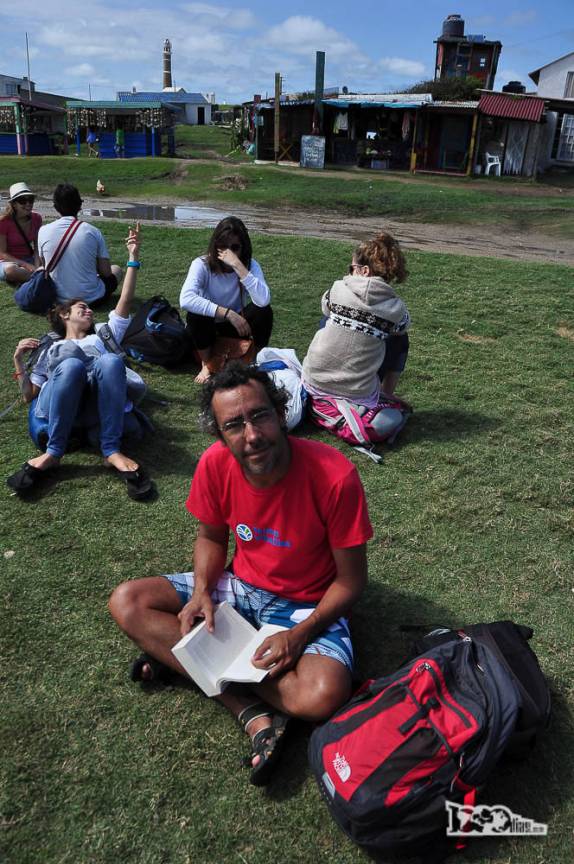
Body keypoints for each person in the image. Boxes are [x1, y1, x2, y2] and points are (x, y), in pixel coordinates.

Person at [109, 363, 372, 785]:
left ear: (280, 413)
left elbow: (351, 581)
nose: (251, 435)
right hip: (239, 586)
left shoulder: (334, 476)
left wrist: (300, 634)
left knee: (322, 695)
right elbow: (211, 537)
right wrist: (202, 591)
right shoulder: (215, 464)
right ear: (219, 434)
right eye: (233, 425)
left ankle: (189, 659)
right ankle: (248, 709)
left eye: (259, 415)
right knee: (128, 602)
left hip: (307, 602)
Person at [7, 224, 152, 500]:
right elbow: (29, 395)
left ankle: (111, 450)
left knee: (110, 362)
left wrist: (133, 257)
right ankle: (54, 452)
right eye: (81, 308)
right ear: (64, 315)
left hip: (98, 401)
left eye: (89, 309)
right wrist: (18, 361)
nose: (89, 311)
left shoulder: (103, 334)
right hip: (62, 399)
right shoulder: (50, 346)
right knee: (71, 361)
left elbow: (125, 299)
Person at [302, 231, 411, 405]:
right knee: (400, 339)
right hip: (357, 394)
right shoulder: (396, 309)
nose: (349, 273)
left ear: (364, 271)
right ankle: (386, 393)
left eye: (351, 268)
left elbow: (325, 306)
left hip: (312, 382)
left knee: (327, 320)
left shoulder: (337, 289)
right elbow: (403, 326)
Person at [180, 216, 273, 383]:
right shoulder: (201, 264)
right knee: (196, 314)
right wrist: (227, 313)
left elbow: (263, 300)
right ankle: (206, 363)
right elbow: (186, 299)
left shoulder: (250, 265)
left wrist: (238, 266)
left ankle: (252, 360)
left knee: (263, 311)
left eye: (235, 247)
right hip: (208, 326)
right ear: (215, 246)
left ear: (243, 248)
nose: (228, 253)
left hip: (236, 326)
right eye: (223, 247)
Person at [37, 183, 122, 306]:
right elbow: (106, 272)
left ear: (55, 207)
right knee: (116, 270)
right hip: (91, 298)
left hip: (58, 298)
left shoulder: (43, 231)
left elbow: (44, 266)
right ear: (79, 205)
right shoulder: (92, 231)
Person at [0, 182, 43, 286]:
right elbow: (2, 253)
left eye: (30, 200)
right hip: (8, 261)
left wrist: (37, 265)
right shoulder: (3, 222)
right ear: (14, 204)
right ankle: (41, 279)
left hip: (29, 258)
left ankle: (35, 277)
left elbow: (37, 247)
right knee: (11, 270)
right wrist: (26, 265)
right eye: (22, 201)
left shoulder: (37, 218)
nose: (28, 204)